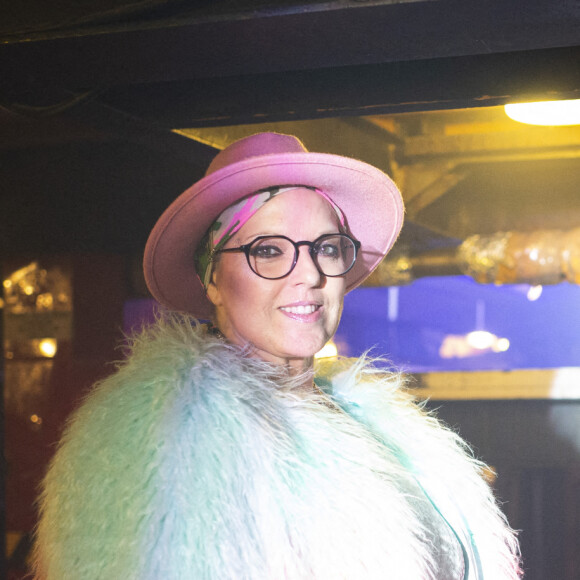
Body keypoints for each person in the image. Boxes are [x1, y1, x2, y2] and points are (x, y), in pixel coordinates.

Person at [33, 132, 522, 579]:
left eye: (327, 248)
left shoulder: (368, 419)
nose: (308, 274)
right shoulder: (159, 432)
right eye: (268, 250)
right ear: (213, 280)